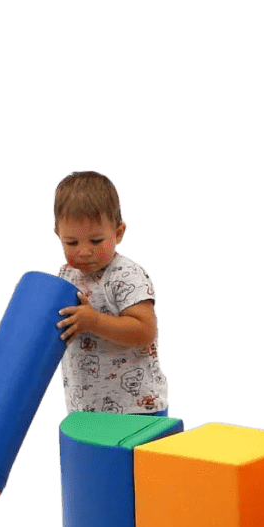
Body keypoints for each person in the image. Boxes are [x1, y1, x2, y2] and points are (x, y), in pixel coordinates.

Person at [52, 170, 169, 415]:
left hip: (136, 409)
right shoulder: (66, 275)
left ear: (118, 233)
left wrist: (94, 321)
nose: (84, 251)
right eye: (72, 243)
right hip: (85, 409)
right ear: (58, 236)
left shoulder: (125, 275)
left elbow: (145, 331)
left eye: (96, 241)